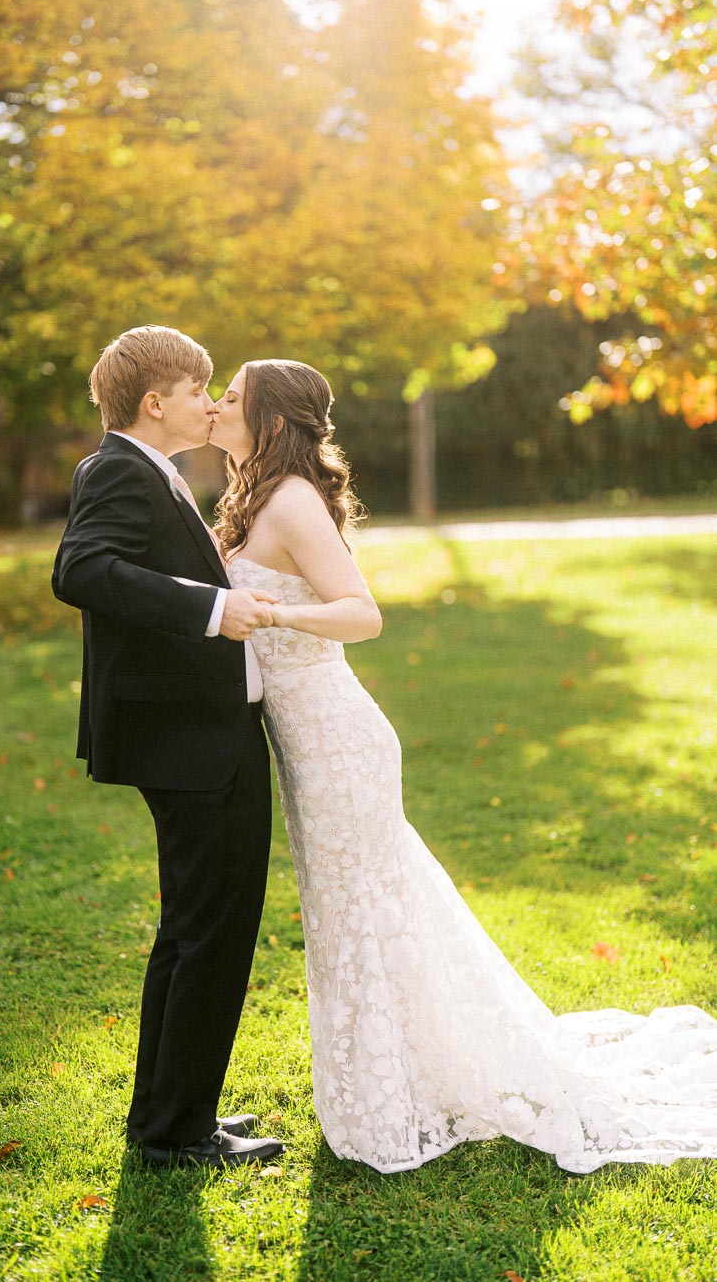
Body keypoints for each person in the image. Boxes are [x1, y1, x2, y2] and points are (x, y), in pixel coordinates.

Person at [209, 357, 717, 1174]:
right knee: (364, 913)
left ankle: (396, 1094)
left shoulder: (294, 501)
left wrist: (262, 610)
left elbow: (364, 614)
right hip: (305, 747)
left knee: (363, 918)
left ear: (268, 418)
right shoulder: (253, 501)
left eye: (230, 397)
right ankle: (405, 1073)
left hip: (339, 742)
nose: (216, 405)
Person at [52, 326, 284, 1169]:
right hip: (189, 737)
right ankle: (176, 1130)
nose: (210, 402)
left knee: (194, 930)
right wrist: (212, 607)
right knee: (209, 931)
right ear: (156, 402)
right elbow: (80, 570)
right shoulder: (119, 467)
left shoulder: (154, 471)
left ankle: (171, 1119)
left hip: (195, 730)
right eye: (199, 390)